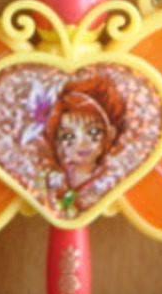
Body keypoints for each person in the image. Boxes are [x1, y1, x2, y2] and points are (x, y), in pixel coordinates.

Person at [39, 75, 127, 217]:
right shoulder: (54, 177)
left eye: (93, 132)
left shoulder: (107, 178)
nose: (81, 143)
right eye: (68, 136)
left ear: (110, 133)